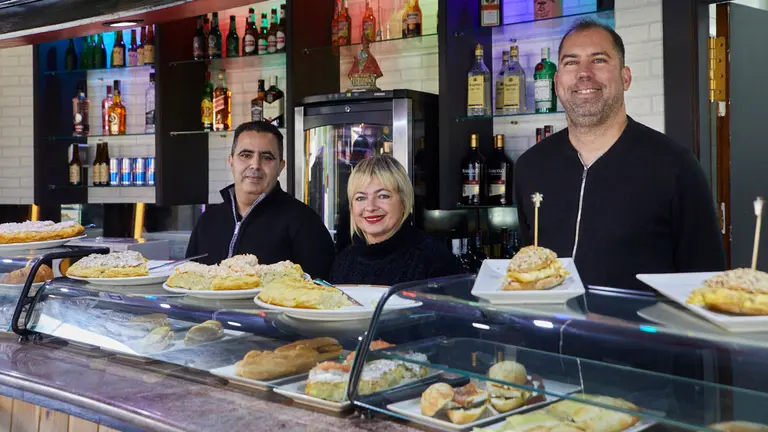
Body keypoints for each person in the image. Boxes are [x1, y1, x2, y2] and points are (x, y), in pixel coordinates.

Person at [514, 20, 725, 291]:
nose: (584, 74)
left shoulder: (675, 167)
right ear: (557, 83)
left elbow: (706, 283)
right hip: (550, 334)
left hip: (643, 333)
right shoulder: (530, 166)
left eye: (599, 60)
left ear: (625, 77)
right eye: (571, 63)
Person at [186, 121, 335, 279]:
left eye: (267, 157)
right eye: (246, 155)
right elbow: (187, 281)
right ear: (231, 161)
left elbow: (320, 289)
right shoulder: (207, 221)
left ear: (280, 167)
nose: (255, 165)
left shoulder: (305, 222)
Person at [329, 155, 463, 286]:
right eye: (360, 198)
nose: (370, 207)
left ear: (404, 202)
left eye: (383, 196)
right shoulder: (343, 263)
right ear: (351, 206)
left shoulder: (435, 260)